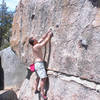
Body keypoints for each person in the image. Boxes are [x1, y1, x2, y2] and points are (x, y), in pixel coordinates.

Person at [29, 30, 53, 99]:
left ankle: (35, 89)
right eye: (34, 39)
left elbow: (42, 38)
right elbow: (44, 42)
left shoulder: (35, 45)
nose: (36, 38)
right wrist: (49, 35)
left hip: (36, 64)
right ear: (34, 42)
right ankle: (42, 93)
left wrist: (47, 32)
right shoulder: (36, 46)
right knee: (43, 78)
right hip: (39, 64)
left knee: (38, 77)